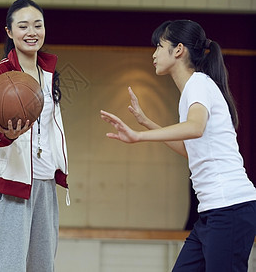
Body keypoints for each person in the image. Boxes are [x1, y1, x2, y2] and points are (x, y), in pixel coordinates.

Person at [100, 20, 256, 272]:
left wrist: (138, 136)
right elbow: (190, 149)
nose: (154, 53)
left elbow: (195, 128)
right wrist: (147, 122)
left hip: (230, 208)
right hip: (211, 213)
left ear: (178, 50)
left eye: (160, 46)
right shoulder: (195, 89)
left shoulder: (198, 84)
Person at [0, 0, 69, 272]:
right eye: (23, 26)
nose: (31, 32)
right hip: (14, 182)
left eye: (38, 25)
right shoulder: (3, 71)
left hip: (45, 179)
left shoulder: (48, 71)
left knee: (43, 265)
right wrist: (7, 134)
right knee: (9, 265)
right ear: (9, 32)